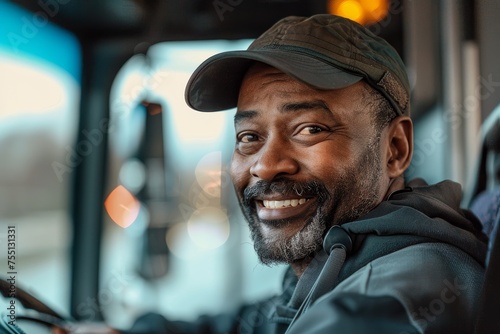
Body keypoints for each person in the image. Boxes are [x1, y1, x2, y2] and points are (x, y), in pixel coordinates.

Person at [120, 14, 488, 334]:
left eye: (310, 129)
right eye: (249, 137)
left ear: (395, 149)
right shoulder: (340, 262)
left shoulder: (393, 297)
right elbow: (254, 323)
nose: (265, 164)